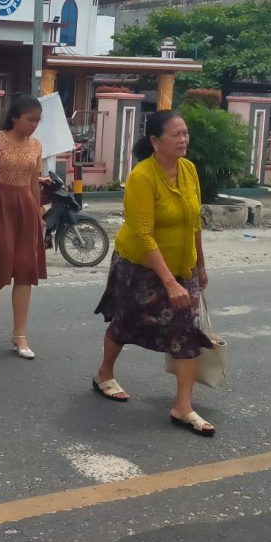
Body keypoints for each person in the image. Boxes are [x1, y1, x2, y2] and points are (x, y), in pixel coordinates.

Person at [92, 110, 215, 437]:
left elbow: (194, 221)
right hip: (140, 266)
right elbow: (143, 234)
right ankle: (105, 373)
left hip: (181, 265)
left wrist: (199, 265)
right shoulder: (142, 177)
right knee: (127, 321)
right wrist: (168, 281)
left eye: (186, 133)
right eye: (177, 134)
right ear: (155, 141)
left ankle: (183, 406)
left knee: (185, 329)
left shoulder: (188, 170)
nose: (184, 139)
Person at [0, 94, 48, 359]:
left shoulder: (36, 145)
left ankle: (20, 334)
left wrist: (38, 213)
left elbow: (33, 181)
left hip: (25, 208)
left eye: (38, 120)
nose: (34, 125)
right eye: (30, 119)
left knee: (26, 269)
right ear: (15, 117)